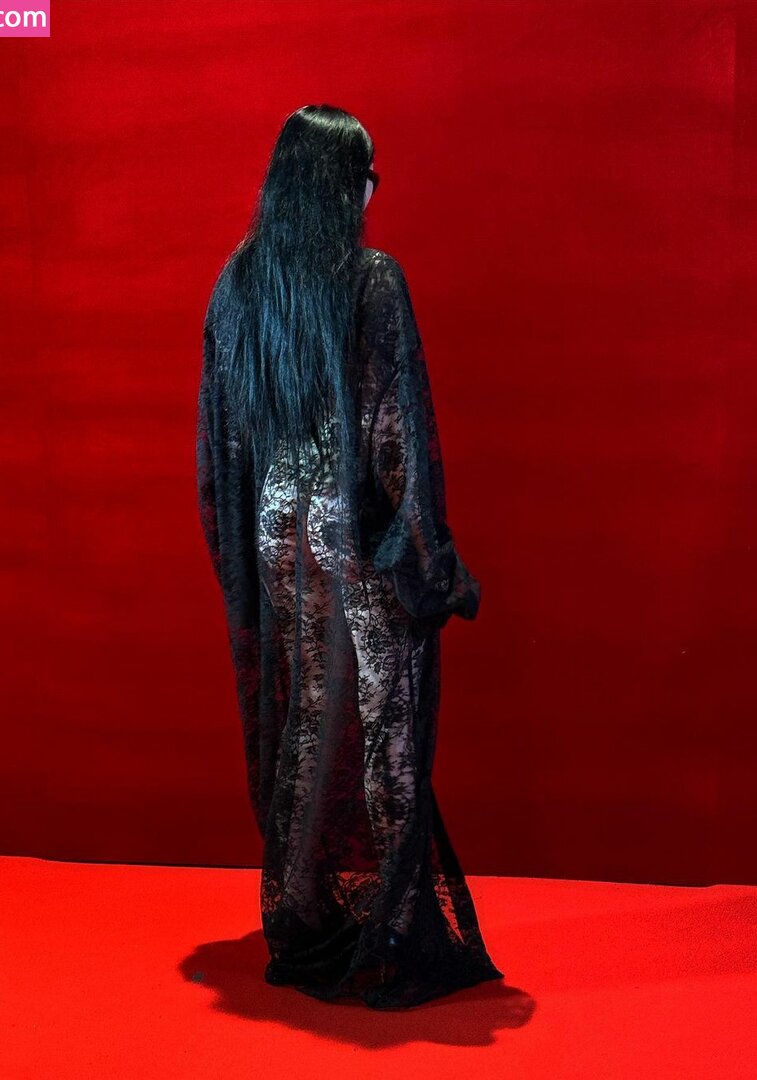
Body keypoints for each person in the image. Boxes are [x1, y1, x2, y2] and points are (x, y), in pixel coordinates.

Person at [195, 104, 504, 1009]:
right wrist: (432, 563)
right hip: (353, 537)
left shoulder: (237, 283)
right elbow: (392, 433)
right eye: (368, 174)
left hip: (276, 535)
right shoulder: (371, 278)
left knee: (306, 720)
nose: (373, 191)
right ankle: (391, 930)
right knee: (385, 727)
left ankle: (302, 915)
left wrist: (243, 554)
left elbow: (223, 444)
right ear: (344, 182)